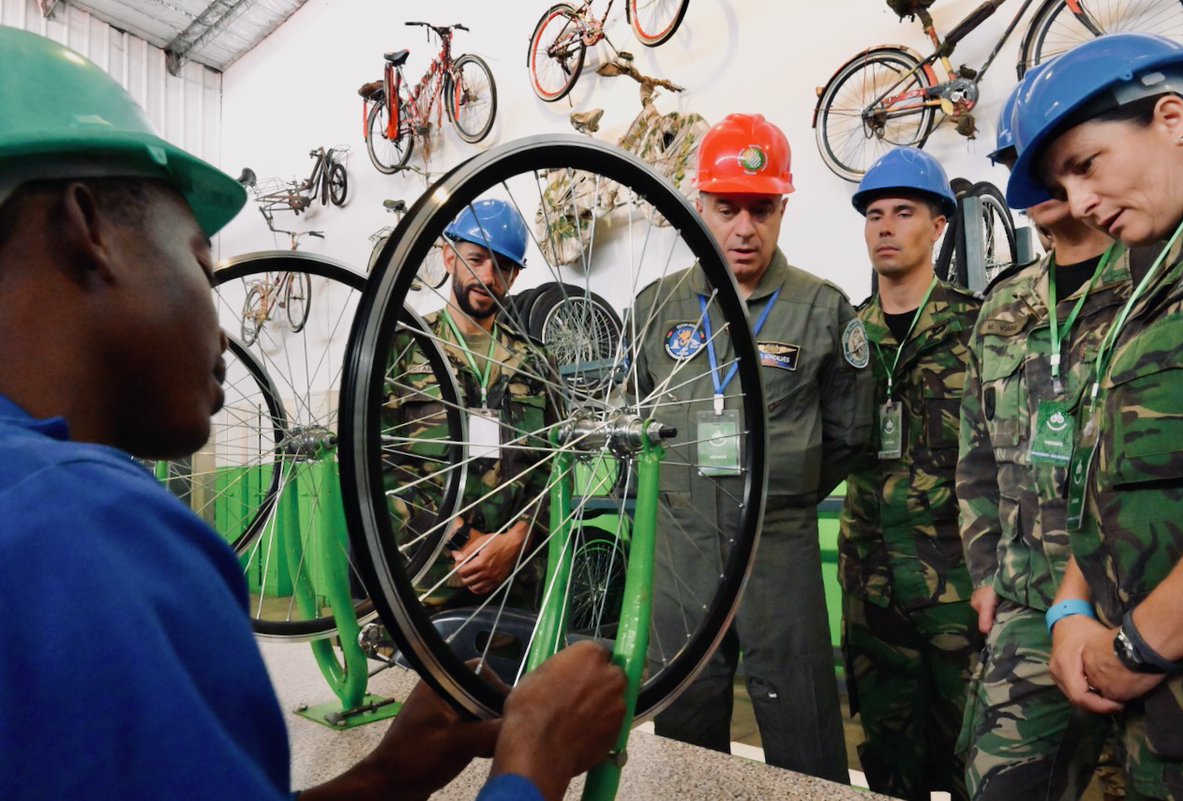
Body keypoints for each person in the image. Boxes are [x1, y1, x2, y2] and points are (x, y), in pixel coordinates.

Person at [0, 26, 625, 801]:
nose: (225, 327)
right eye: (203, 262)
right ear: (83, 228)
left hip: (517, 569)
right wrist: (531, 761)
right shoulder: (85, 531)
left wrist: (385, 777)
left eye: (505, 265)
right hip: (436, 570)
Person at [632, 112, 873, 781]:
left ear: (783, 209)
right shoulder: (656, 307)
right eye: (726, 207)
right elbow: (639, 412)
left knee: (801, 727)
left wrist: (786, 488)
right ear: (698, 205)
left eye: (761, 209)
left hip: (779, 545)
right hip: (683, 553)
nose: (744, 228)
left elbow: (852, 435)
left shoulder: (821, 309)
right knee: (686, 728)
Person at [1002, 31, 1183, 801]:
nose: (1079, 202)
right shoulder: (1146, 279)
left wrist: (1137, 647)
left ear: (1173, 117)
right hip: (1153, 723)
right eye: (1065, 181)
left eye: (1087, 164)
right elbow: (1114, 470)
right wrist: (1071, 605)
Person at [957, 71, 1140, 799]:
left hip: (1143, 602)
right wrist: (982, 573)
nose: (1034, 180)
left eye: (1058, 160)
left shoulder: (1153, 284)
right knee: (998, 781)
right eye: (1017, 165)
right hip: (1029, 605)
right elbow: (973, 458)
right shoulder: (1003, 306)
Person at [838, 147, 980, 801]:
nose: (885, 226)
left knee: (975, 762)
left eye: (903, 211)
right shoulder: (847, 338)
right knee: (890, 769)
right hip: (873, 591)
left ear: (939, 224)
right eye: (874, 214)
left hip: (958, 587)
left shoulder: (980, 328)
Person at [383, 199, 558, 610]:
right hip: (427, 574)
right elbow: (380, 463)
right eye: (476, 259)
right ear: (449, 256)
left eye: (503, 266)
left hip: (518, 575)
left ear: (515, 276)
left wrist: (518, 539)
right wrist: (460, 538)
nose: (487, 276)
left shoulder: (537, 362)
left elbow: (556, 466)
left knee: (518, 675)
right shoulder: (402, 349)